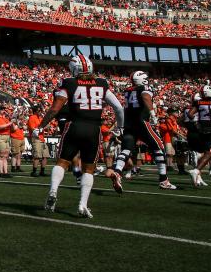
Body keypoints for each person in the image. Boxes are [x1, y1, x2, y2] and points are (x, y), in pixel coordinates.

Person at [41, 55, 124, 218]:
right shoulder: (102, 83)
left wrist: (40, 126)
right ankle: (82, 205)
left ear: (73, 68)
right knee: (89, 169)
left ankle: (53, 190)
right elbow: (119, 108)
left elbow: (54, 109)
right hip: (94, 129)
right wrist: (120, 127)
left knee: (62, 162)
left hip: (74, 126)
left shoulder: (68, 83)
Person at [110, 71, 176, 190]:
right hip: (141, 122)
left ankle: (118, 171)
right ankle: (163, 180)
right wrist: (153, 114)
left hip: (129, 123)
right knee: (159, 147)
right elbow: (146, 97)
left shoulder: (128, 90)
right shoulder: (145, 88)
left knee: (126, 150)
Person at [187, 85, 211, 187]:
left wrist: (197, 123)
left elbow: (190, 114)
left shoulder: (199, 102)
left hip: (202, 131)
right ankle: (196, 170)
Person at [26, 105, 47, 177]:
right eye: (39, 110)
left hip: (42, 138)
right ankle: (34, 171)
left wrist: (43, 128)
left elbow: (43, 126)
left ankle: (42, 171)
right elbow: (33, 130)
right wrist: (41, 129)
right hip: (36, 138)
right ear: (35, 111)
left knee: (45, 156)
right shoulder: (32, 118)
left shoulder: (40, 118)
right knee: (37, 156)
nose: (40, 112)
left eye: (40, 110)